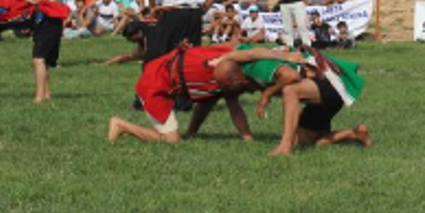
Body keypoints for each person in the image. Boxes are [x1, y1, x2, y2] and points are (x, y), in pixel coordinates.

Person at [108, 43, 302, 144]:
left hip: (164, 72)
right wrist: (285, 56)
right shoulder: (224, 69)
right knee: (172, 141)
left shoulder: (226, 69)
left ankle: (191, 133)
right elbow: (233, 104)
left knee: (211, 98)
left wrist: (248, 138)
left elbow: (211, 101)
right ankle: (121, 125)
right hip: (153, 84)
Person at [214, 47, 371, 156]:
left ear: (236, 77)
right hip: (320, 92)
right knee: (306, 140)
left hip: (333, 84)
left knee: (290, 90)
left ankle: (285, 146)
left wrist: (267, 94)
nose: (224, 88)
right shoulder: (242, 74)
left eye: (226, 84)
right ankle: (355, 133)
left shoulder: (257, 67)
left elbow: (291, 76)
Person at [33, 0, 69, 104]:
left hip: (41, 12)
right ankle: (41, 95)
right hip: (49, 13)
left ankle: (44, 94)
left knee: (41, 58)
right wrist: (57, 11)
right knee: (40, 58)